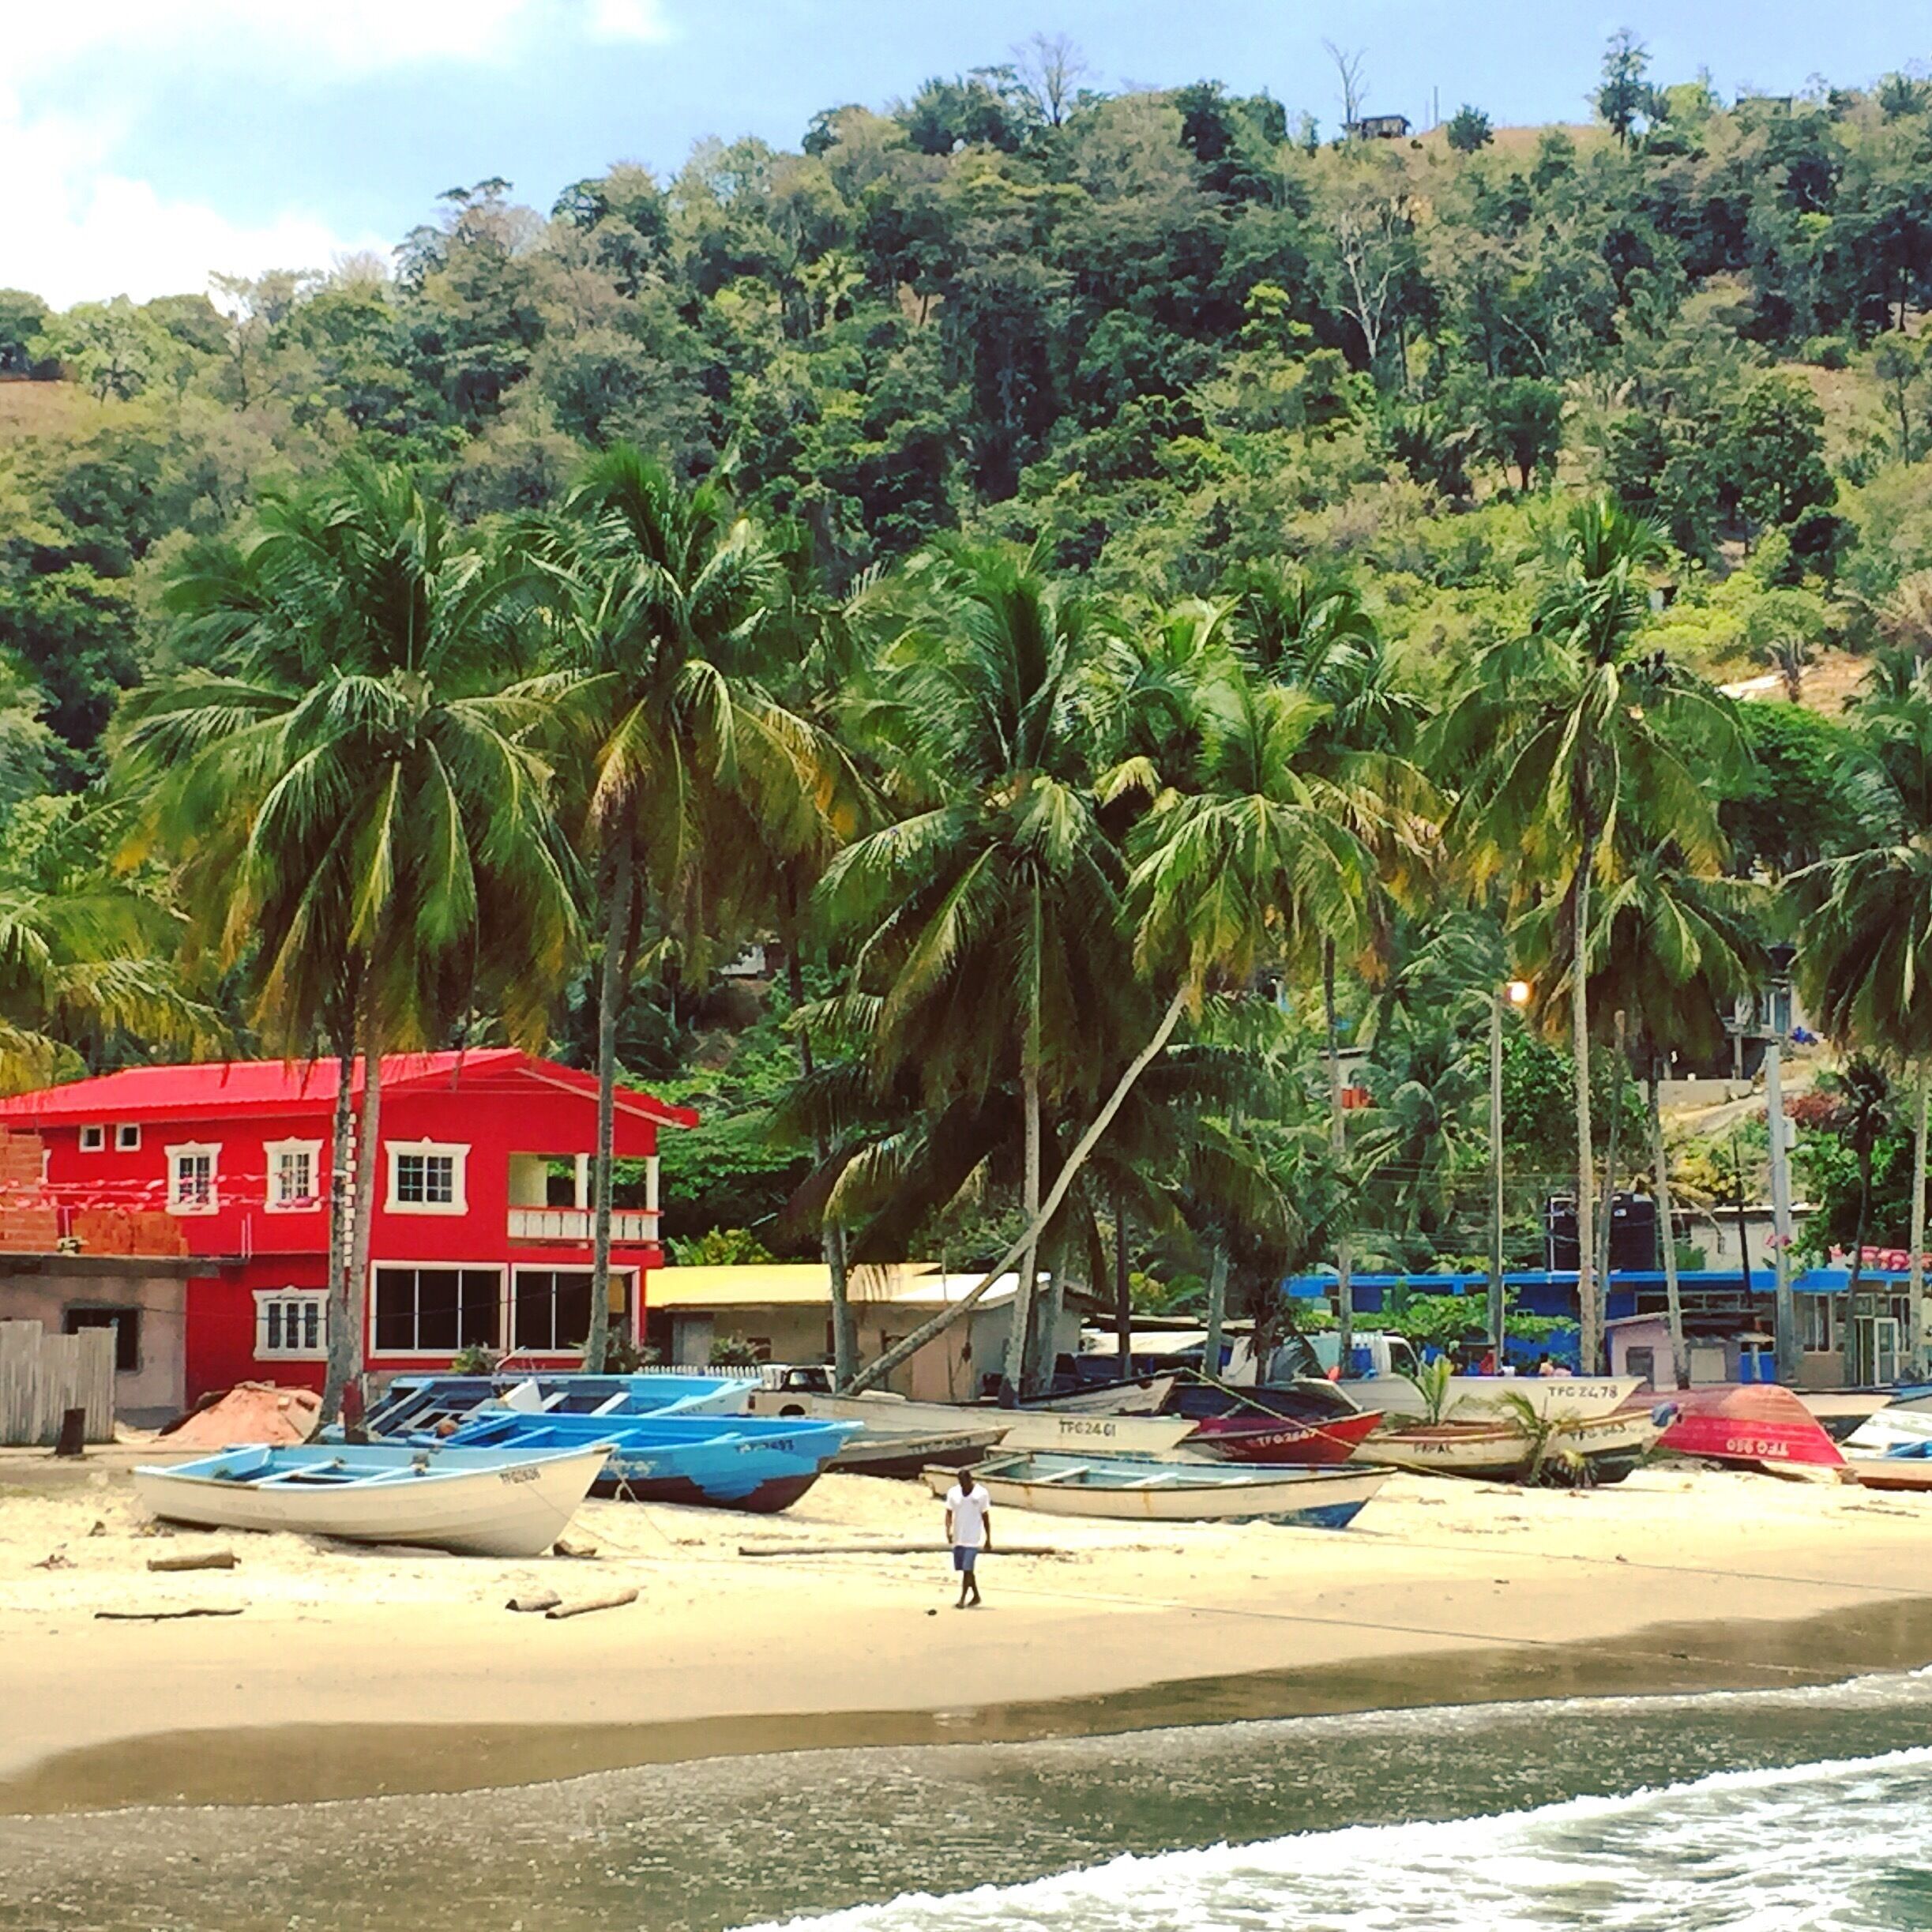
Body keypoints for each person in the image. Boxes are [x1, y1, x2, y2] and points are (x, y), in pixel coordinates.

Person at [945, 1467, 993, 1609]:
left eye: (966, 1483)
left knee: (967, 1568)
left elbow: (985, 1516)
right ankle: (976, 1596)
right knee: (967, 1569)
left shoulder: (981, 1493)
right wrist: (948, 1530)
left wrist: (988, 1538)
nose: (964, 1486)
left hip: (973, 1538)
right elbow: (949, 1512)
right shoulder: (953, 1493)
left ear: (971, 1480)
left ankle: (962, 1599)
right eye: (962, 1483)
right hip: (958, 1536)